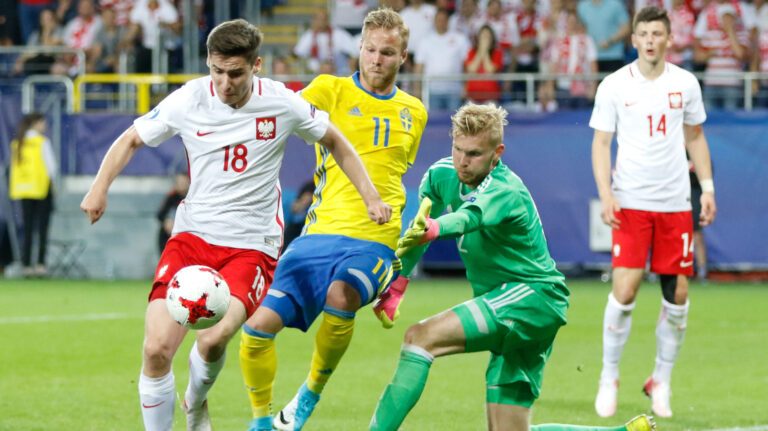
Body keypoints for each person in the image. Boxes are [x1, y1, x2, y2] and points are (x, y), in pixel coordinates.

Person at [80, 18, 390, 431]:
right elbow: (131, 138)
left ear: (256, 65)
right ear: (208, 64)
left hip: (252, 246)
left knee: (212, 340)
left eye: (236, 73)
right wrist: (99, 187)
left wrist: (371, 195)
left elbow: (335, 140)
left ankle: (195, 401)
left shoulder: (282, 102)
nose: (225, 83)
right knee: (156, 350)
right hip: (191, 239)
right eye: (217, 71)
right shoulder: (189, 99)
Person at [368, 102, 656, 431]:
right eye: (457, 149)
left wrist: (437, 228)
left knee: (420, 337)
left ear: (497, 152)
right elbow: (422, 226)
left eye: (474, 153)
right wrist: (400, 283)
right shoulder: (441, 175)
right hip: (520, 303)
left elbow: (467, 217)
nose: (463, 160)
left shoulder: (505, 189)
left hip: (531, 297)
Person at [238, 8, 428, 431]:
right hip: (318, 233)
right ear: (359, 48)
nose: (377, 59)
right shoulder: (329, 90)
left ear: (403, 57)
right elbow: (284, 110)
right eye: (371, 50)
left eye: (388, 52)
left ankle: (309, 394)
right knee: (256, 329)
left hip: (375, 237)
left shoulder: (414, 110)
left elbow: (394, 172)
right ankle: (262, 422)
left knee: (342, 295)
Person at [590, 6, 716, 419]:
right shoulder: (613, 85)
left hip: (676, 203)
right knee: (625, 290)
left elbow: (695, 137)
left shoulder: (685, 83)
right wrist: (606, 194)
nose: (649, 40)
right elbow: (600, 144)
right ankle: (609, 376)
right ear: (634, 39)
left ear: (668, 39)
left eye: (656, 33)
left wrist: (708, 189)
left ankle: (660, 380)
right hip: (631, 202)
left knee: (678, 295)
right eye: (642, 33)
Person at [9, 113, 57, 278]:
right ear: (36, 123)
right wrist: (54, 186)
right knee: (43, 229)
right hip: (42, 189)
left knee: (28, 228)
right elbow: (51, 167)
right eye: (42, 122)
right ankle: (40, 264)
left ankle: (26, 264)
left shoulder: (17, 143)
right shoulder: (42, 142)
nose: (44, 125)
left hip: (24, 190)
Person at [465, 24, 505, 104]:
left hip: (491, 97)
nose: (484, 39)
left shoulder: (497, 53)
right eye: (483, 36)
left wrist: (485, 51)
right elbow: (472, 69)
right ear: (478, 38)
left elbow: (490, 70)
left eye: (487, 37)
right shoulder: (472, 52)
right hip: (472, 96)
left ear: (492, 39)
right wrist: (480, 51)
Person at [155, 171, 189, 254]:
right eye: (179, 182)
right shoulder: (172, 197)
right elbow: (160, 215)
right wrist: (167, 221)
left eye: (183, 182)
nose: (181, 184)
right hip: (170, 235)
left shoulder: (193, 198)